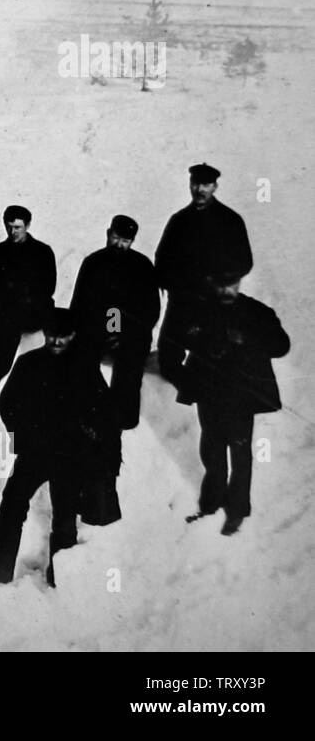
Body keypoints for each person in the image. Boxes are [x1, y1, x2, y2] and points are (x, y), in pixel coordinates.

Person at [0, 307, 112, 587]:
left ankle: (61, 579)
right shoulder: (28, 363)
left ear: (74, 335)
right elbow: (7, 404)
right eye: (52, 335)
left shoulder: (85, 367)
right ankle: (0, 571)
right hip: (35, 453)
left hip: (70, 456)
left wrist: (88, 439)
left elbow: (103, 410)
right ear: (45, 333)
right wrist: (23, 439)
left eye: (63, 337)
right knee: (12, 507)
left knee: (64, 518)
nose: (56, 342)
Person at [180, 271, 288, 535]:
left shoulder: (256, 312)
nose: (227, 289)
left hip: (241, 397)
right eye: (222, 284)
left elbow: (281, 346)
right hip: (209, 392)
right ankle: (211, 501)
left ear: (240, 282)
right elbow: (184, 336)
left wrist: (247, 341)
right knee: (212, 449)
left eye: (232, 284)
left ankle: (237, 510)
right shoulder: (202, 308)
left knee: (240, 452)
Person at [154, 163, 253, 394]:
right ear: (190, 184)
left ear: (215, 186)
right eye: (196, 183)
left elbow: (244, 261)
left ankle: (211, 398)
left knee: (215, 356)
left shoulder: (230, 221)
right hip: (182, 302)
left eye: (206, 184)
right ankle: (186, 395)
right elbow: (162, 259)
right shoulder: (179, 221)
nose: (200, 189)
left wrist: (219, 280)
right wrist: (174, 283)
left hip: (215, 304)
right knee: (168, 355)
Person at [70, 214, 160, 429]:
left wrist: (123, 333)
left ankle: (123, 420)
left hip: (131, 334)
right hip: (96, 329)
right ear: (108, 234)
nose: (120, 244)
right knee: (81, 360)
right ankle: (89, 412)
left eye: (126, 241)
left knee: (130, 368)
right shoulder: (93, 262)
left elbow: (151, 310)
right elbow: (80, 303)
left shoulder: (142, 266)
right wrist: (101, 331)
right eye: (117, 238)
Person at [0, 205, 56, 394]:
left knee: (11, 323)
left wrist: (22, 296)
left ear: (27, 225)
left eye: (18, 227)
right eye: (10, 227)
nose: (13, 232)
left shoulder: (42, 252)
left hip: (33, 311)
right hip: (6, 311)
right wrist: (8, 296)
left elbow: (48, 288)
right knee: (10, 324)